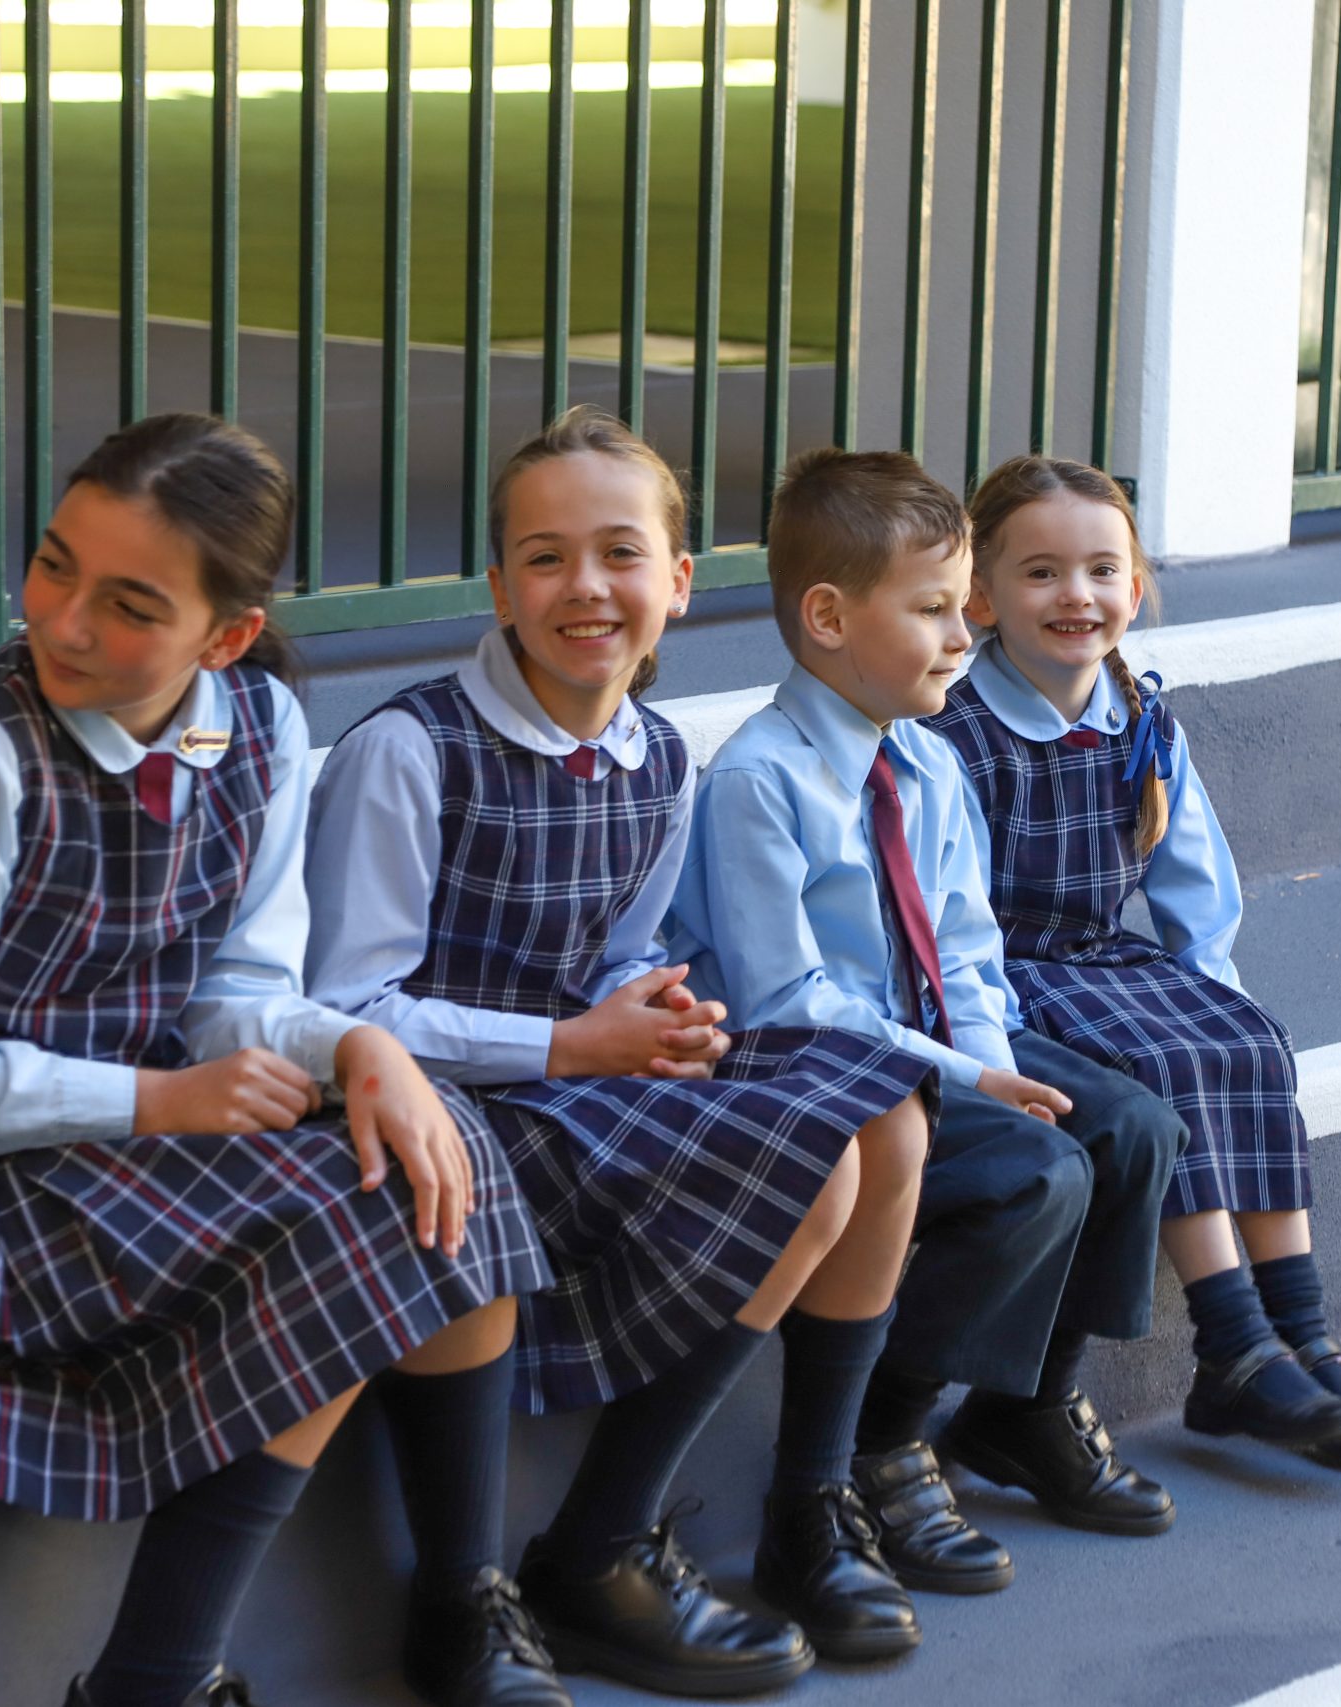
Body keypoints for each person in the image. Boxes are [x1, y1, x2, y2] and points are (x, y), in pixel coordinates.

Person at [0, 415, 562, 1707]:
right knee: (358, 1225)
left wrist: (353, 1042)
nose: (64, 621)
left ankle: (464, 1598)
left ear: (227, 635)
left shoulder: (252, 727)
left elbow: (239, 988)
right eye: (54, 562)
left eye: (131, 601)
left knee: (436, 1146)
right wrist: (160, 1100)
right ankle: (157, 1674)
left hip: (118, 1136)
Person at [309, 407, 938, 1693]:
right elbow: (348, 1007)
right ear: (497, 587)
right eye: (543, 559)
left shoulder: (659, 757)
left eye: (618, 554)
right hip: (430, 1098)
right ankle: (462, 1595)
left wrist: (651, 1015)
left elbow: (614, 955)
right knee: (462, 1187)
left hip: (569, 1076)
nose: (584, 587)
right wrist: (575, 1040)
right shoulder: (408, 751)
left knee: (869, 1124)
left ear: (676, 581)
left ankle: (613, 1543)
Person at [666, 445, 1204, 1582]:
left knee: (1128, 1126)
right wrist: (972, 1087)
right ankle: (884, 1440)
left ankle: (1029, 1403)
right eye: (932, 611)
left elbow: (964, 948)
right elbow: (786, 1001)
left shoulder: (925, 762)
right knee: (1032, 1172)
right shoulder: (758, 780)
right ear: (826, 618)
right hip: (813, 1069)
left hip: (924, 1049)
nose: (966, 637)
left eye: (963, 609)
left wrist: (994, 1066)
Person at [926, 454, 1341, 1474]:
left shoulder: (1139, 716)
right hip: (1012, 975)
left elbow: (1195, 883)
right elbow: (955, 919)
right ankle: (1231, 1345)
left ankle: (1305, 1339)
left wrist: (1214, 995)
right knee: (1161, 1063)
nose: (1077, 595)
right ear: (980, 597)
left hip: (1104, 955)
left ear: (1135, 589)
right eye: (1041, 573)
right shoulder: (955, 734)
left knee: (1244, 1040)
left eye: (1102, 571)